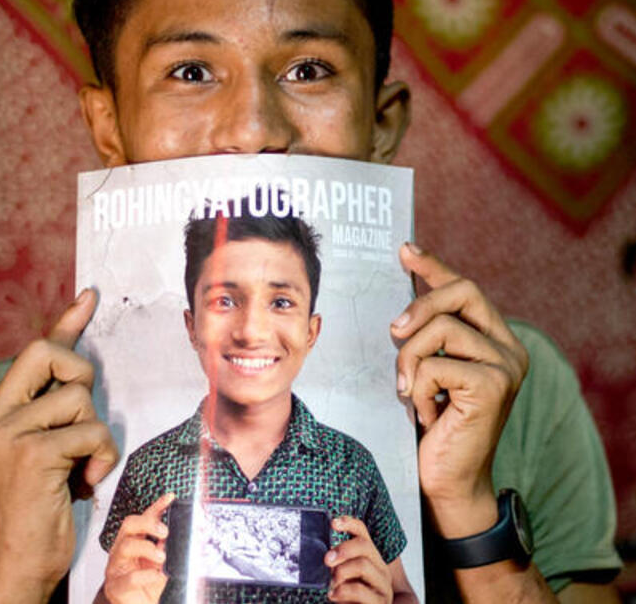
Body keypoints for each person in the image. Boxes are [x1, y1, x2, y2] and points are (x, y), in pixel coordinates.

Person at [0, 0, 622, 604]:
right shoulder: (2, 429)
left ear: (382, 124)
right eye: (190, 71)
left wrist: (472, 517)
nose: (251, 130)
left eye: (308, 69)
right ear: (108, 127)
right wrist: (16, 573)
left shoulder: (514, 389)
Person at [98, 210, 413, 604]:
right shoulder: (148, 467)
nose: (251, 331)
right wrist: (111, 599)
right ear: (192, 326)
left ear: (311, 330)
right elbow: (112, 588)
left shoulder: (352, 466)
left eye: (280, 302)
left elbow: (402, 592)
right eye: (224, 300)